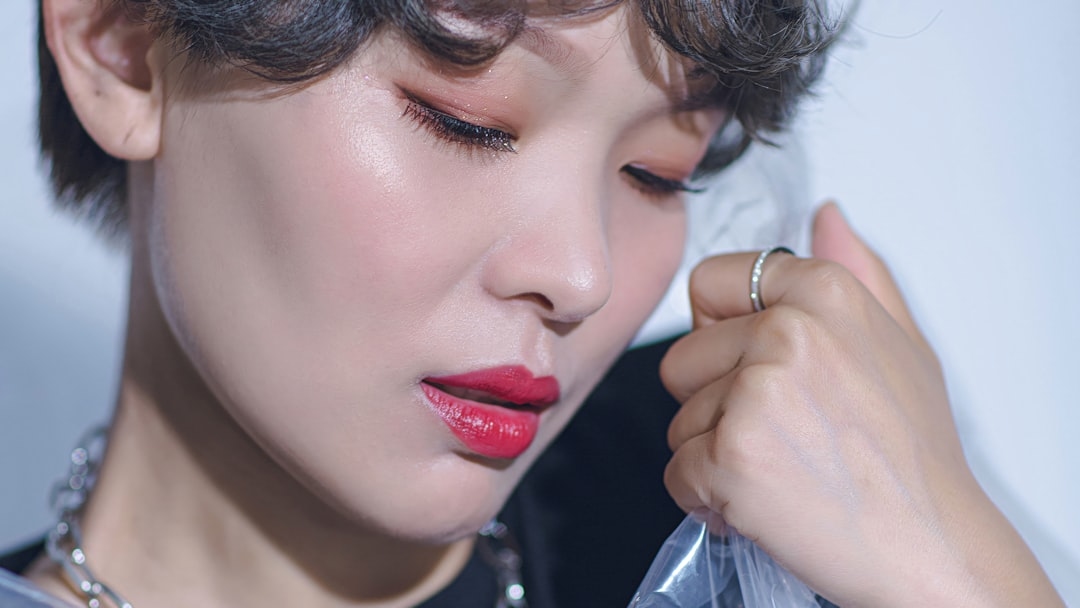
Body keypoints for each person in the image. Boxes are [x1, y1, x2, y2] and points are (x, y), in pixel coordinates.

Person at [0, 0, 1065, 606]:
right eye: (464, 120)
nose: (581, 274)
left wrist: (958, 574)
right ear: (123, 45)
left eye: (656, 172)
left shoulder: (765, 507)